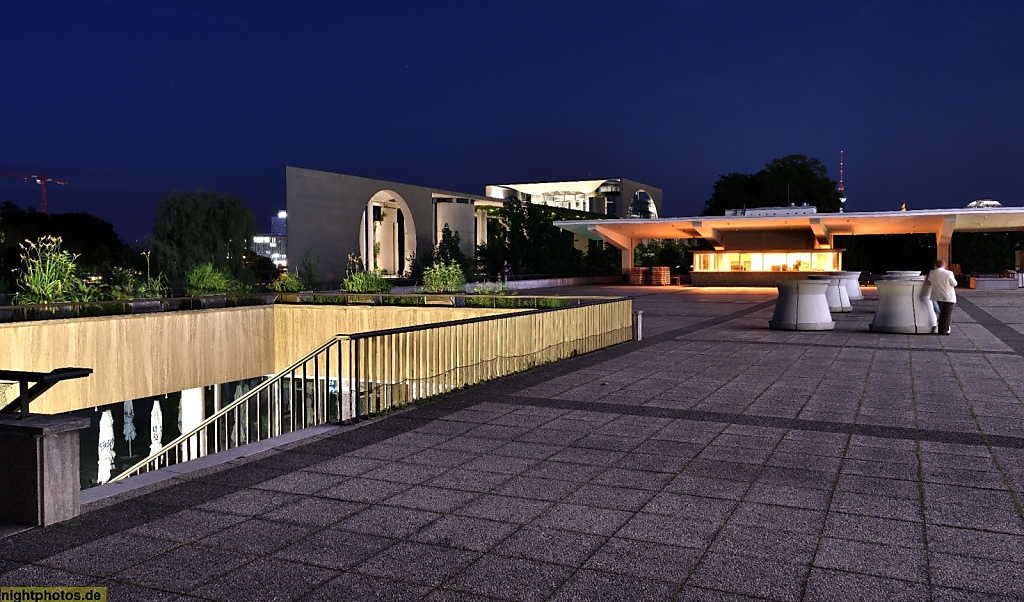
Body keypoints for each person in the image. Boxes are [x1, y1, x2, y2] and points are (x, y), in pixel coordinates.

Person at [928, 259, 958, 335]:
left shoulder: (932, 273)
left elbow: (929, 280)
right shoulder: (949, 273)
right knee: (947, 314)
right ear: (944, 265)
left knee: (942, 313)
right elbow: (954, 284)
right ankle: (944, 330)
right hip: (948, 296)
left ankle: (940, 329)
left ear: (935, 265)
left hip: (937, 296)